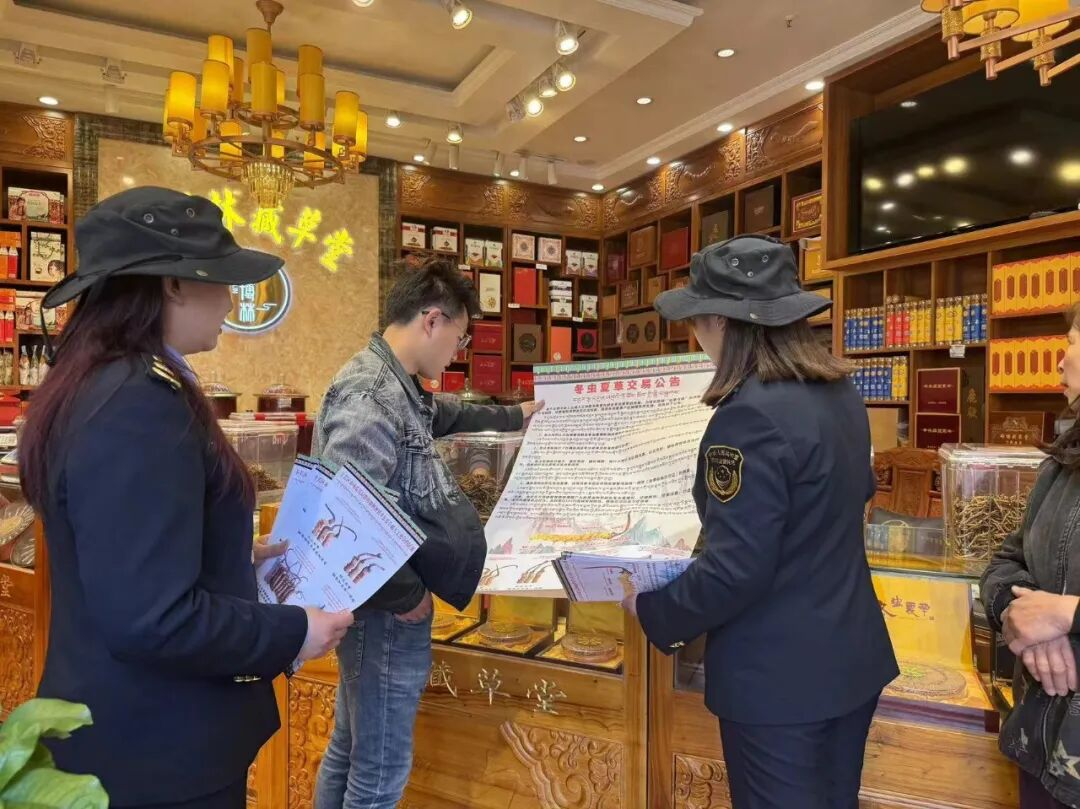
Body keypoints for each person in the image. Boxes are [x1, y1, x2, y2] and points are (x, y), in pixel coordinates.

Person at [20, 186, 354, 809]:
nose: (230, 300)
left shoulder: (105, 383)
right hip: (155, 755)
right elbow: (152, 618)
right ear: (172, 285)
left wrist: (228, 557)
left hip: (131, 737)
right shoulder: (138, 403)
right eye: (221, 279)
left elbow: (122, 561)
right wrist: (292, 631)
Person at [622, 235, 899, 809]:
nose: (695, 335)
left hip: (779, 681)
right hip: (849, 658)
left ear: (721, 321)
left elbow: (736, 570)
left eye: (696, 320)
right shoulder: (839, 392)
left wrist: (652, 610)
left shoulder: (748, 416)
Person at [312, 257, 541, 809]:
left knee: (352, 748)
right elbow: (346, 516)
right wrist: (407, 596)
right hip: (384, 610)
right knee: (380, 768)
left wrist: (517, 415)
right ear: (432, 320)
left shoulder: (394, 383)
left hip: (378, 604)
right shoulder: (370, 394)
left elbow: (444, 414)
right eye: (460, 338)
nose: (457, 352)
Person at [981, 305, 1080, 809]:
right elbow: (1004, 561)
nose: (1060, 361)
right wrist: (1020, 615)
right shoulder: (1062, 463)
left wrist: (1068, 615)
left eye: (1071, 342)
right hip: (1042, 741)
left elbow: (1061, 609)